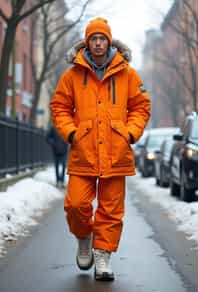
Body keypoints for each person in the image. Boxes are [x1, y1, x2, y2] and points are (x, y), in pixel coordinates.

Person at [50, 17, 151, 281]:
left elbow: (141, 106)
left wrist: (130, 132)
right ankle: (84, 238)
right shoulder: (72, 75)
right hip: (83, 151)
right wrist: (72, 132)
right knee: (76, 204)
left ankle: (103, 257)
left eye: (102, 38)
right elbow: (59, 107)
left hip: (116, 153)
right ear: (87, 42)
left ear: (109, 41)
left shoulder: (126, 72)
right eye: (93, 39)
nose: (97, 43)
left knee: (110, 209)